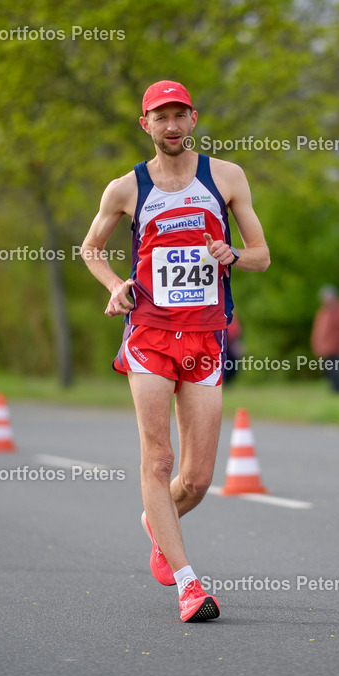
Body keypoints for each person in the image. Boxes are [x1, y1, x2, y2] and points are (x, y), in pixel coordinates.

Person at [81, 80, 270, 623]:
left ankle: (156, 521)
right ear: (146, 125)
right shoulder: (126, 188)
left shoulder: (226, 178)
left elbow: (262, 256)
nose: (170, 125)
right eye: (159, 117)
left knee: (197, 478)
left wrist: (232, 253)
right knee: (158, 458)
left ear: (193, 119)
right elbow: (90, 250)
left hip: (206, 334)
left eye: (179, 115)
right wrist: (115, 285)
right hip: (149, 333)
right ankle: (190, 587)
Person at [310, 285, 339, 393]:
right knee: (328, 371)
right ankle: (334, 391)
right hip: (324, 348)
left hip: (336, 347)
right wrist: (316, 344)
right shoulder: (323, 312)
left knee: (337, 369)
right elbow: (318, 330)